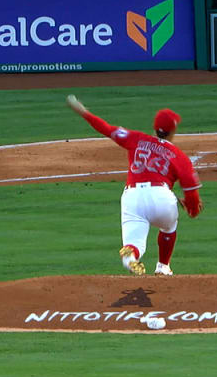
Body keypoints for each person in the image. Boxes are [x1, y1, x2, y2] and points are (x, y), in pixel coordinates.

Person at [66, 95, 203, 277]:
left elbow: (107, 129)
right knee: (169, 227)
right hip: (161, 197)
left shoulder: (136, 138)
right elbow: (191, 192)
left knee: (134, 244)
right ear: (173, 131)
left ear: (154, 128)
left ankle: (130, 256)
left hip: (132, 197)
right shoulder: (179, 156)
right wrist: (192, 209)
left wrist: (84, 112)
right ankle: (163, 267)